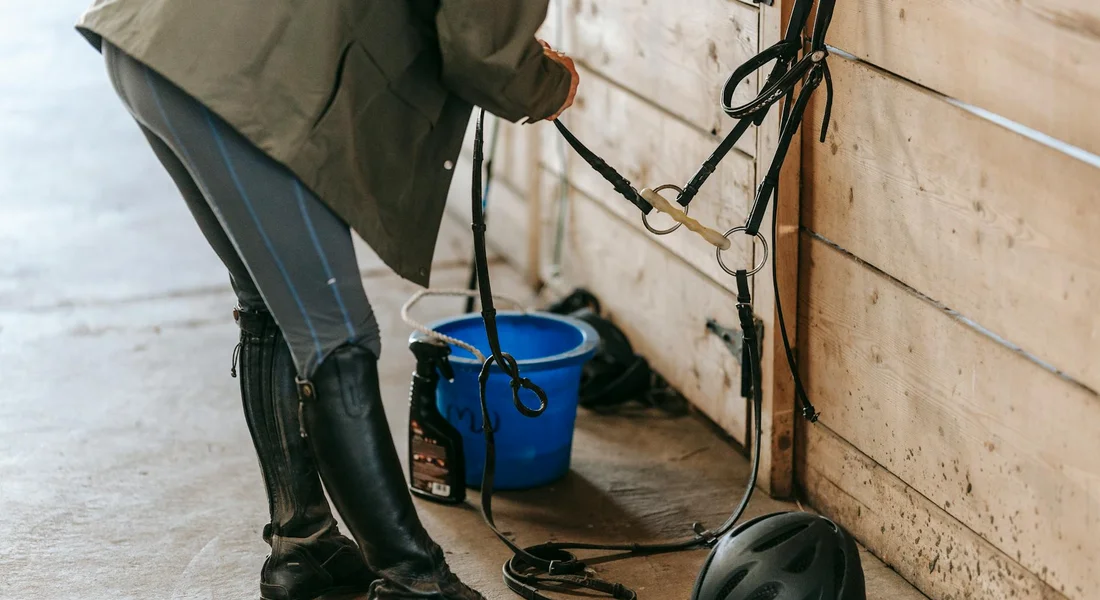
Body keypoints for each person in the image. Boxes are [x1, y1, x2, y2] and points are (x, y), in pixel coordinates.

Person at [73, 2, 579, 599]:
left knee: (271, 306)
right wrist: (552, 83)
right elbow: (483, 54)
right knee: (336, 335)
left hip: (154, 40)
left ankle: (304, 550)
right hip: (230, 74)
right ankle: (416, 581)